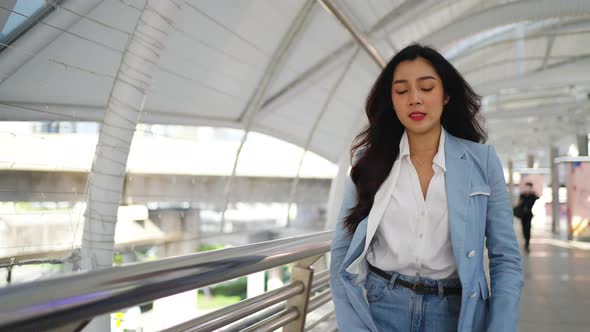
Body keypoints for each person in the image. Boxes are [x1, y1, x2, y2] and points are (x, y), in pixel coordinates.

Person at [329, 43, 523, 332]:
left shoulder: (481, 162)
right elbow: (342, 252)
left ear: (445, 95)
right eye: (401, 90)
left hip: (454, 313)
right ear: (392, 100)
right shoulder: (368, 162)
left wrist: (501, 326)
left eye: (427, 88)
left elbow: (505, 257)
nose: (414, 99)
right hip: (382, 306)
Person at [518, 182, 539, 253]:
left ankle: (527, 243)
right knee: (524, 229)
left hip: (529, 215)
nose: (528, 188)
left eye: (529, 187)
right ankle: (525, 239)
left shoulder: (532, 196)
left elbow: (537, 198)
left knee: (528, 229)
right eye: (527, 187)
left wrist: (533, 192)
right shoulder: (522, 195)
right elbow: (519, 204)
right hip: (523, 215)